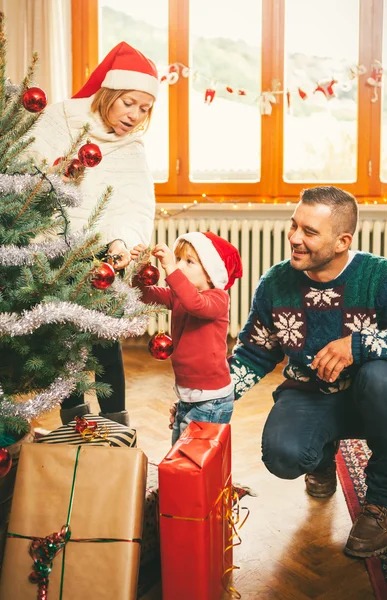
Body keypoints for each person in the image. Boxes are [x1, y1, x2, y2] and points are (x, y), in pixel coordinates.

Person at [228, 186, 387, 558]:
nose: (294, 238)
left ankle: (385, 500)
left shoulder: (382, 278)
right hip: (309, 392)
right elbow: (255, 352)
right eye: (294, 227)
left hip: (373, 395)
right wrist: (212, 396)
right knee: (283, 456)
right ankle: (321, 456)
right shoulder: (276, 283)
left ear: (342, 241)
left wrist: (356, 345)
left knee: (383, 379)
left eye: (309, 232)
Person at [27, 41, 159, 426]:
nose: (135, 115)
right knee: (63, 339)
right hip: (52, 249)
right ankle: (73, 417)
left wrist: (120, 241)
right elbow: (29, 175)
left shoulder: (131, 149)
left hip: (100, 258)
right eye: (128, 103)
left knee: (105, 336)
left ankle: (116, 421)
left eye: (145, 109)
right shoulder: (60, 121)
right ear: (110, 94)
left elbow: (133, 205)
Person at [131, 232, 242, 443]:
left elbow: (195, 305)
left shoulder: (218, 298)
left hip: (211, 399)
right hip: (187, 395)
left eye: (189, 262)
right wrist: (139, 269)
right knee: (180, 455)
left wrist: (171, 269)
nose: (180, 265)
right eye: (178, 259)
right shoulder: (179, 296)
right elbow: (146, 295)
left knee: (195, 461)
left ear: (210, 274)